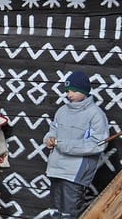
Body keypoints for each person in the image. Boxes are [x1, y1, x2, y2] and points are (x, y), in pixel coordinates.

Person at [44, 71, 108, 218]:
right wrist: (49, 139)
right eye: (67, 91)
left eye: (73, 90)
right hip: (55, 169)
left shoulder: (95, 114)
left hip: (75, 173)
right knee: (55, 212)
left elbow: (98, 143)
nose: (69, 94)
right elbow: (53, 130)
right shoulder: (62, 111)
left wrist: (62, 144)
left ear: (84, 90)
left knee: (70, 213)